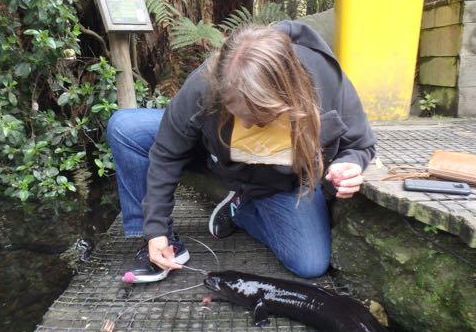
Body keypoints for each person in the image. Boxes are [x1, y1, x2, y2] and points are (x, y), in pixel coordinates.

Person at [106, 21, 377, 282]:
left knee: (310, 263)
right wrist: (156, 228)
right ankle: (154, 241)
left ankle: (239, 209)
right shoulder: (204, 84)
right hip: (216, 160)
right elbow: (166, 153)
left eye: (259, 117)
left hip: (278, 182)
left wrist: (349, 164)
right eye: (238, 113)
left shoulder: (324, 78)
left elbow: (360, 145)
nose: (248, 124)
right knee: (125, 127)